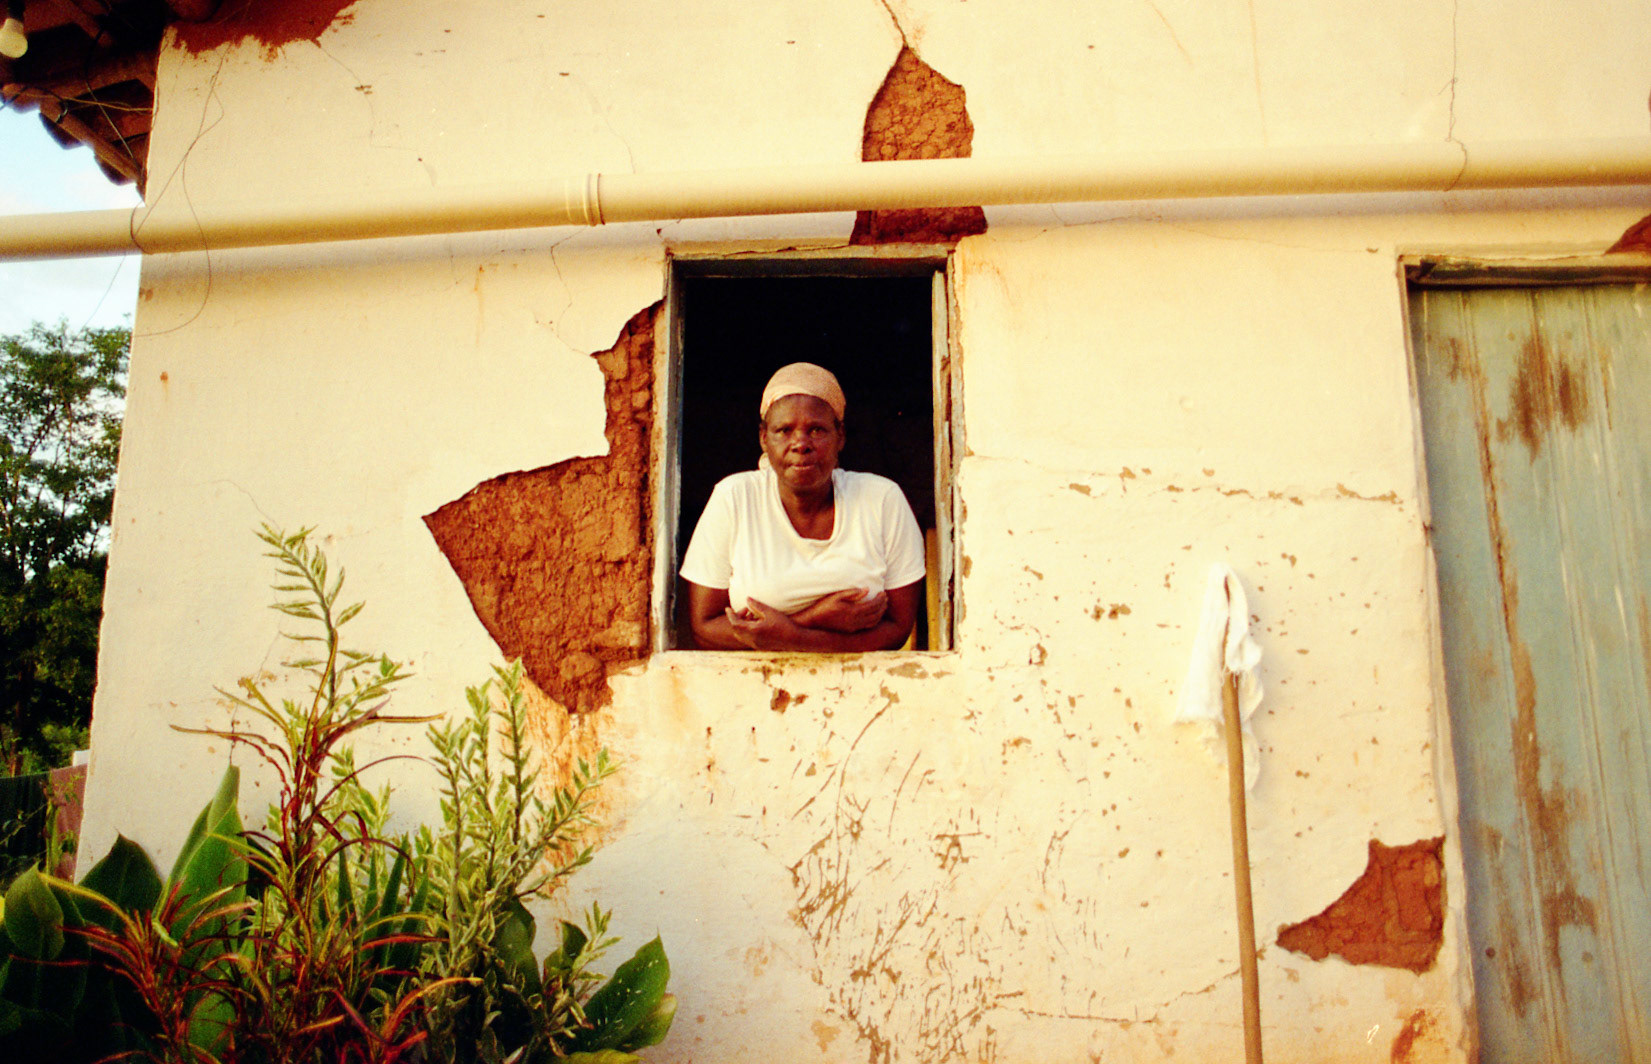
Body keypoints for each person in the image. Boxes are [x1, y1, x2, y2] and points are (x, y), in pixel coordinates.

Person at [680, 362, 926, 651]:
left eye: (817, 430)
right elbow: (705, 628)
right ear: (763, 439)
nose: (801, 443)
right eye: (784, 430)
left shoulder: (882, 500)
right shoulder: (734, 498)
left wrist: (792, 636)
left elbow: (898, 628)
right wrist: (816, 618)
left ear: (841, 437)